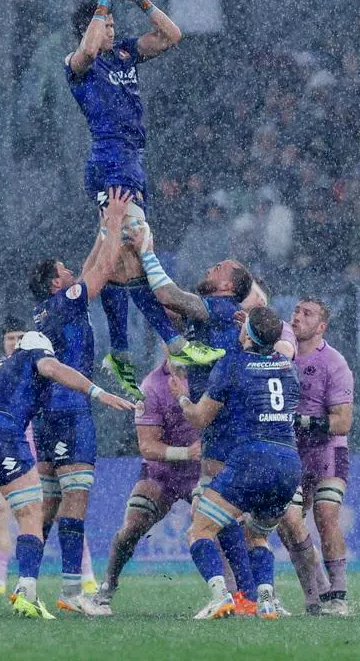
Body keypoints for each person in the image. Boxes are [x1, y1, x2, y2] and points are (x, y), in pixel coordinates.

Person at [66, 0, 220, 398]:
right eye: (106, 24)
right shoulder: (77, 65)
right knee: (136, 242)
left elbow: (172, 35)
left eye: (114, 24)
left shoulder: (124, 54)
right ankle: (173, 343)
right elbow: (88, 48)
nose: (112, 30)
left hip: (133, 160)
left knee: (123, 260)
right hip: (109, 160)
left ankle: (120, 350)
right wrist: (101, 3)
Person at [0, 329, 136, 619]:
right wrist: (98, 393)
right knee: (31, 514)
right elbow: (51, 367)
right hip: (1, 433)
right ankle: (27, 595)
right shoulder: (34, 354)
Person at [132, 225, 259, 614]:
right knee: (224, 514)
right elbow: (164, 311)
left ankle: (226, 596)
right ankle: (249, 597)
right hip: (221, 424)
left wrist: (147, 252)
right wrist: (134, 280)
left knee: (203, 522)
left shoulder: (220, 308)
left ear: (228, 287)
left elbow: (169, 295)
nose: (211, 267)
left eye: (219, 267)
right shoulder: (212, 317)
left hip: (227, 422)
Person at [27, 188, 130, 614]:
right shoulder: (66, 301)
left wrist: (103, 227)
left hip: (45, 413)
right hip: (69, 410)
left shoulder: (49, 308)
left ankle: (27, 586)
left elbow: (89, 267)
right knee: (75, 500)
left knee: (49, 503)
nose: (71, 271)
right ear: (56, 283)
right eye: (63, 270)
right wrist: (116, 222)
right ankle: (72, 592)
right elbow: (102, 270)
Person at [175, 306, 301, 620]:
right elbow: (276, 343)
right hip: (288, 462)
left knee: (199, 530)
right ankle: (267, 600)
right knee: (257, 535)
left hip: (252, 458)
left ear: (246, 334)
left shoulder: (232, 364)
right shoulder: (287, 364)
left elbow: (200, 418)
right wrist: (255, 328)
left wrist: (182, 398)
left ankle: (220, 597)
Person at [0, 317, 97, 599]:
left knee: (63, 508)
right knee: (0, 513)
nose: (14, 342)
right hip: (6, 450)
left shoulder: (40, 364)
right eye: (9, 337)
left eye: (20, 337)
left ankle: (86, 576)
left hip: (38, 449)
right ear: (2, 341)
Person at [92, 353, 202, 615]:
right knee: (133, 524)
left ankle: (237, 594)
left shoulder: (209, 374)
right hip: (161, 472)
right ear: (164, 345)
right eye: (174, 339)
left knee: (222, 527)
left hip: (203, 472)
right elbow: (147, 446)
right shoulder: (151, 386)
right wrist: (186, 453)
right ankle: (107, 587)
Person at [277, 297, 354, 616]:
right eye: (296, 311)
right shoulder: (281, 353)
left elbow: (342, 422)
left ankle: (339, 595)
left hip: (327, 451)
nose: (297, 317)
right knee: (288, 521)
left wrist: (301, 421)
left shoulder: (334, 363)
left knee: (325, 514)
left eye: (307, 314)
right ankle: (316, 592)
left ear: (322, 326)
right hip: (289, 452)